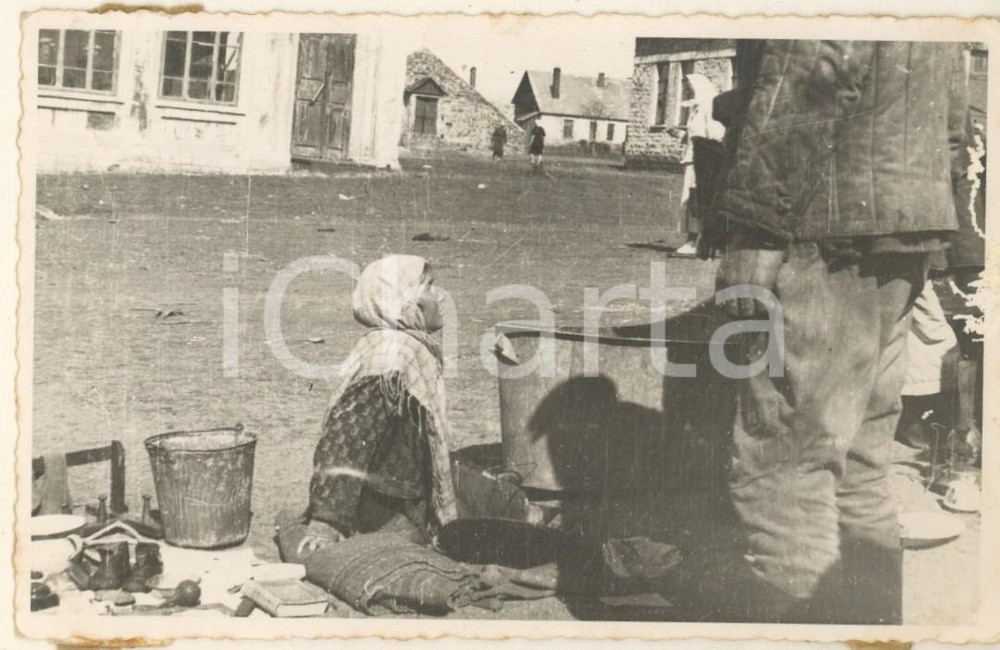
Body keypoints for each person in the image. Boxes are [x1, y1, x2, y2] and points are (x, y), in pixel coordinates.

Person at [707, 40, 969, 624]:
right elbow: (953, 119)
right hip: (903, 232)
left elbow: (806, 76)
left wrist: (755, 231)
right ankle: (868, 630)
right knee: (858, 462)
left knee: (785, 464)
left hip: (828, 232)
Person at [294, 255, 458, 556]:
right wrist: (326, 522)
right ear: (406, 303)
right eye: (430, 288)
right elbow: (345, 437)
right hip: (387, 507)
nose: (440, 297)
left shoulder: (399, 345)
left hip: (399, 489)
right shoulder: (393, 358)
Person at [674, 74, 726, 257]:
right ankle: (698, 241)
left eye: (690, 87)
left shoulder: (709, 108)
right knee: (691, 201)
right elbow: (695, 136)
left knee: (696, 199)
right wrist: (679, 135)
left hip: (703, 162)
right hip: (694, 159)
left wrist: (706, 158)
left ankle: (693, 242)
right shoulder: (697, 109)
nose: (688, 90)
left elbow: (714, 136)